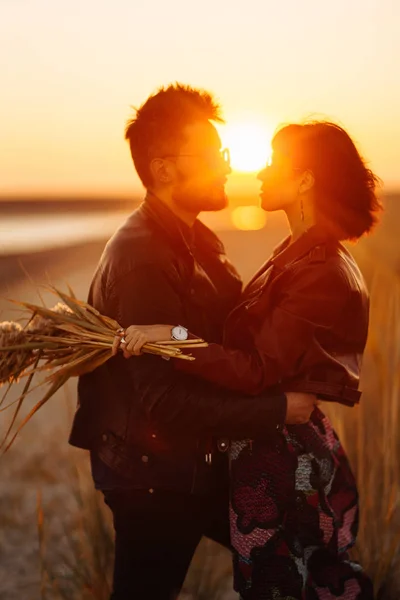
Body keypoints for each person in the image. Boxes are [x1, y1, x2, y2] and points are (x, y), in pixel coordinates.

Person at [68, 84, 316, 600]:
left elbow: (205, 339)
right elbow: (161, 402)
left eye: (223, 152)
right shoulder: (142, 259)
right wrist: (276, 409)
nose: (226, 166)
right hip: (152, 477)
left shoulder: (198, 239)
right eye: (210, 156)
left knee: (301, 560)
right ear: (163, 170)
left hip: (194, 462)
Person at [116, 121, 382, 599]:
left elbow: (255, 368)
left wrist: (173, 336)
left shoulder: (320, 267)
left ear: (304, 179)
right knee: (297, 577)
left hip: (283, 453)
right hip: (268, 444)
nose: (258, 170)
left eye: (274, 161)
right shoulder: (296, 252)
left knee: (282, 584)